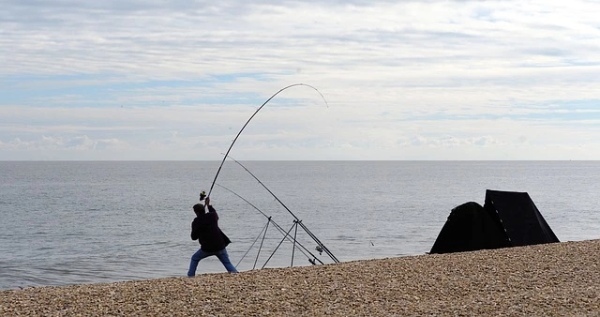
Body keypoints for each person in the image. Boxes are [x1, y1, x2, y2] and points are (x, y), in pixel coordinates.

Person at [187, 196, 238, 276]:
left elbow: (194, 237)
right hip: (220, 245)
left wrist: (196, 227)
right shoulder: (212, 216)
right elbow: (214, 213)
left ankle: (190, 276)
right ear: (204, 210)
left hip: (207, 248)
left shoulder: (196, 222)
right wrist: (208, 205)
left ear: (195, 212)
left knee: (195, 258)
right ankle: (235, 274)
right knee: (227, 262)